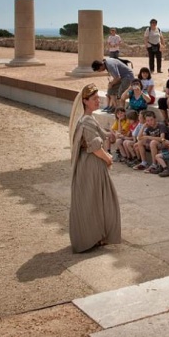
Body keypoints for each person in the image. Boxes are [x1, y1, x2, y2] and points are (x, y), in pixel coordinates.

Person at [68, 83, 122, 253]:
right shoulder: (86, 121)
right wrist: (108, 159)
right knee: (96, 200)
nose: (98, 101)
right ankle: (91, 237)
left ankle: (96, 235)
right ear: (85, 101)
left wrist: (110, 135)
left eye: (98, 98)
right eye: (94, 99)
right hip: (92, 164)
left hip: (90, 163)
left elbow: (99, 135)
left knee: (95, 200)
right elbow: (95, 147)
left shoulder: (88, 119)